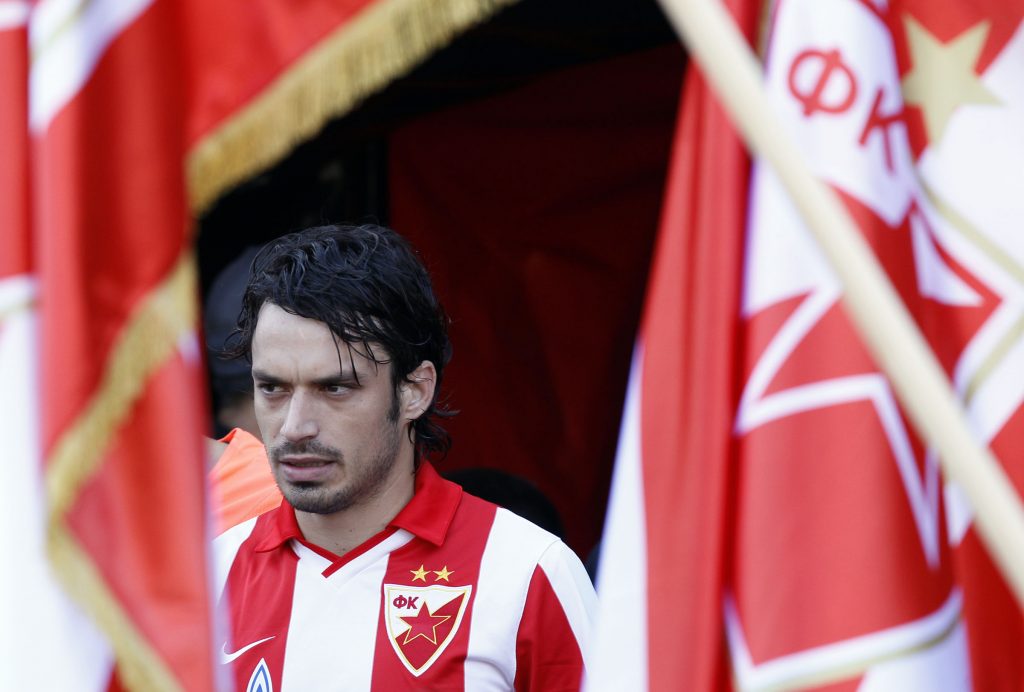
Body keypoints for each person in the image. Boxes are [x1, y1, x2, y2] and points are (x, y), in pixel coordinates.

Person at [213, 224, 595, 690]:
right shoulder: (207, 576)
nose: (294, 426)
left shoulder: (529, 574)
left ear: (415, 391)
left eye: (335, 388)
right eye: (272, 388)